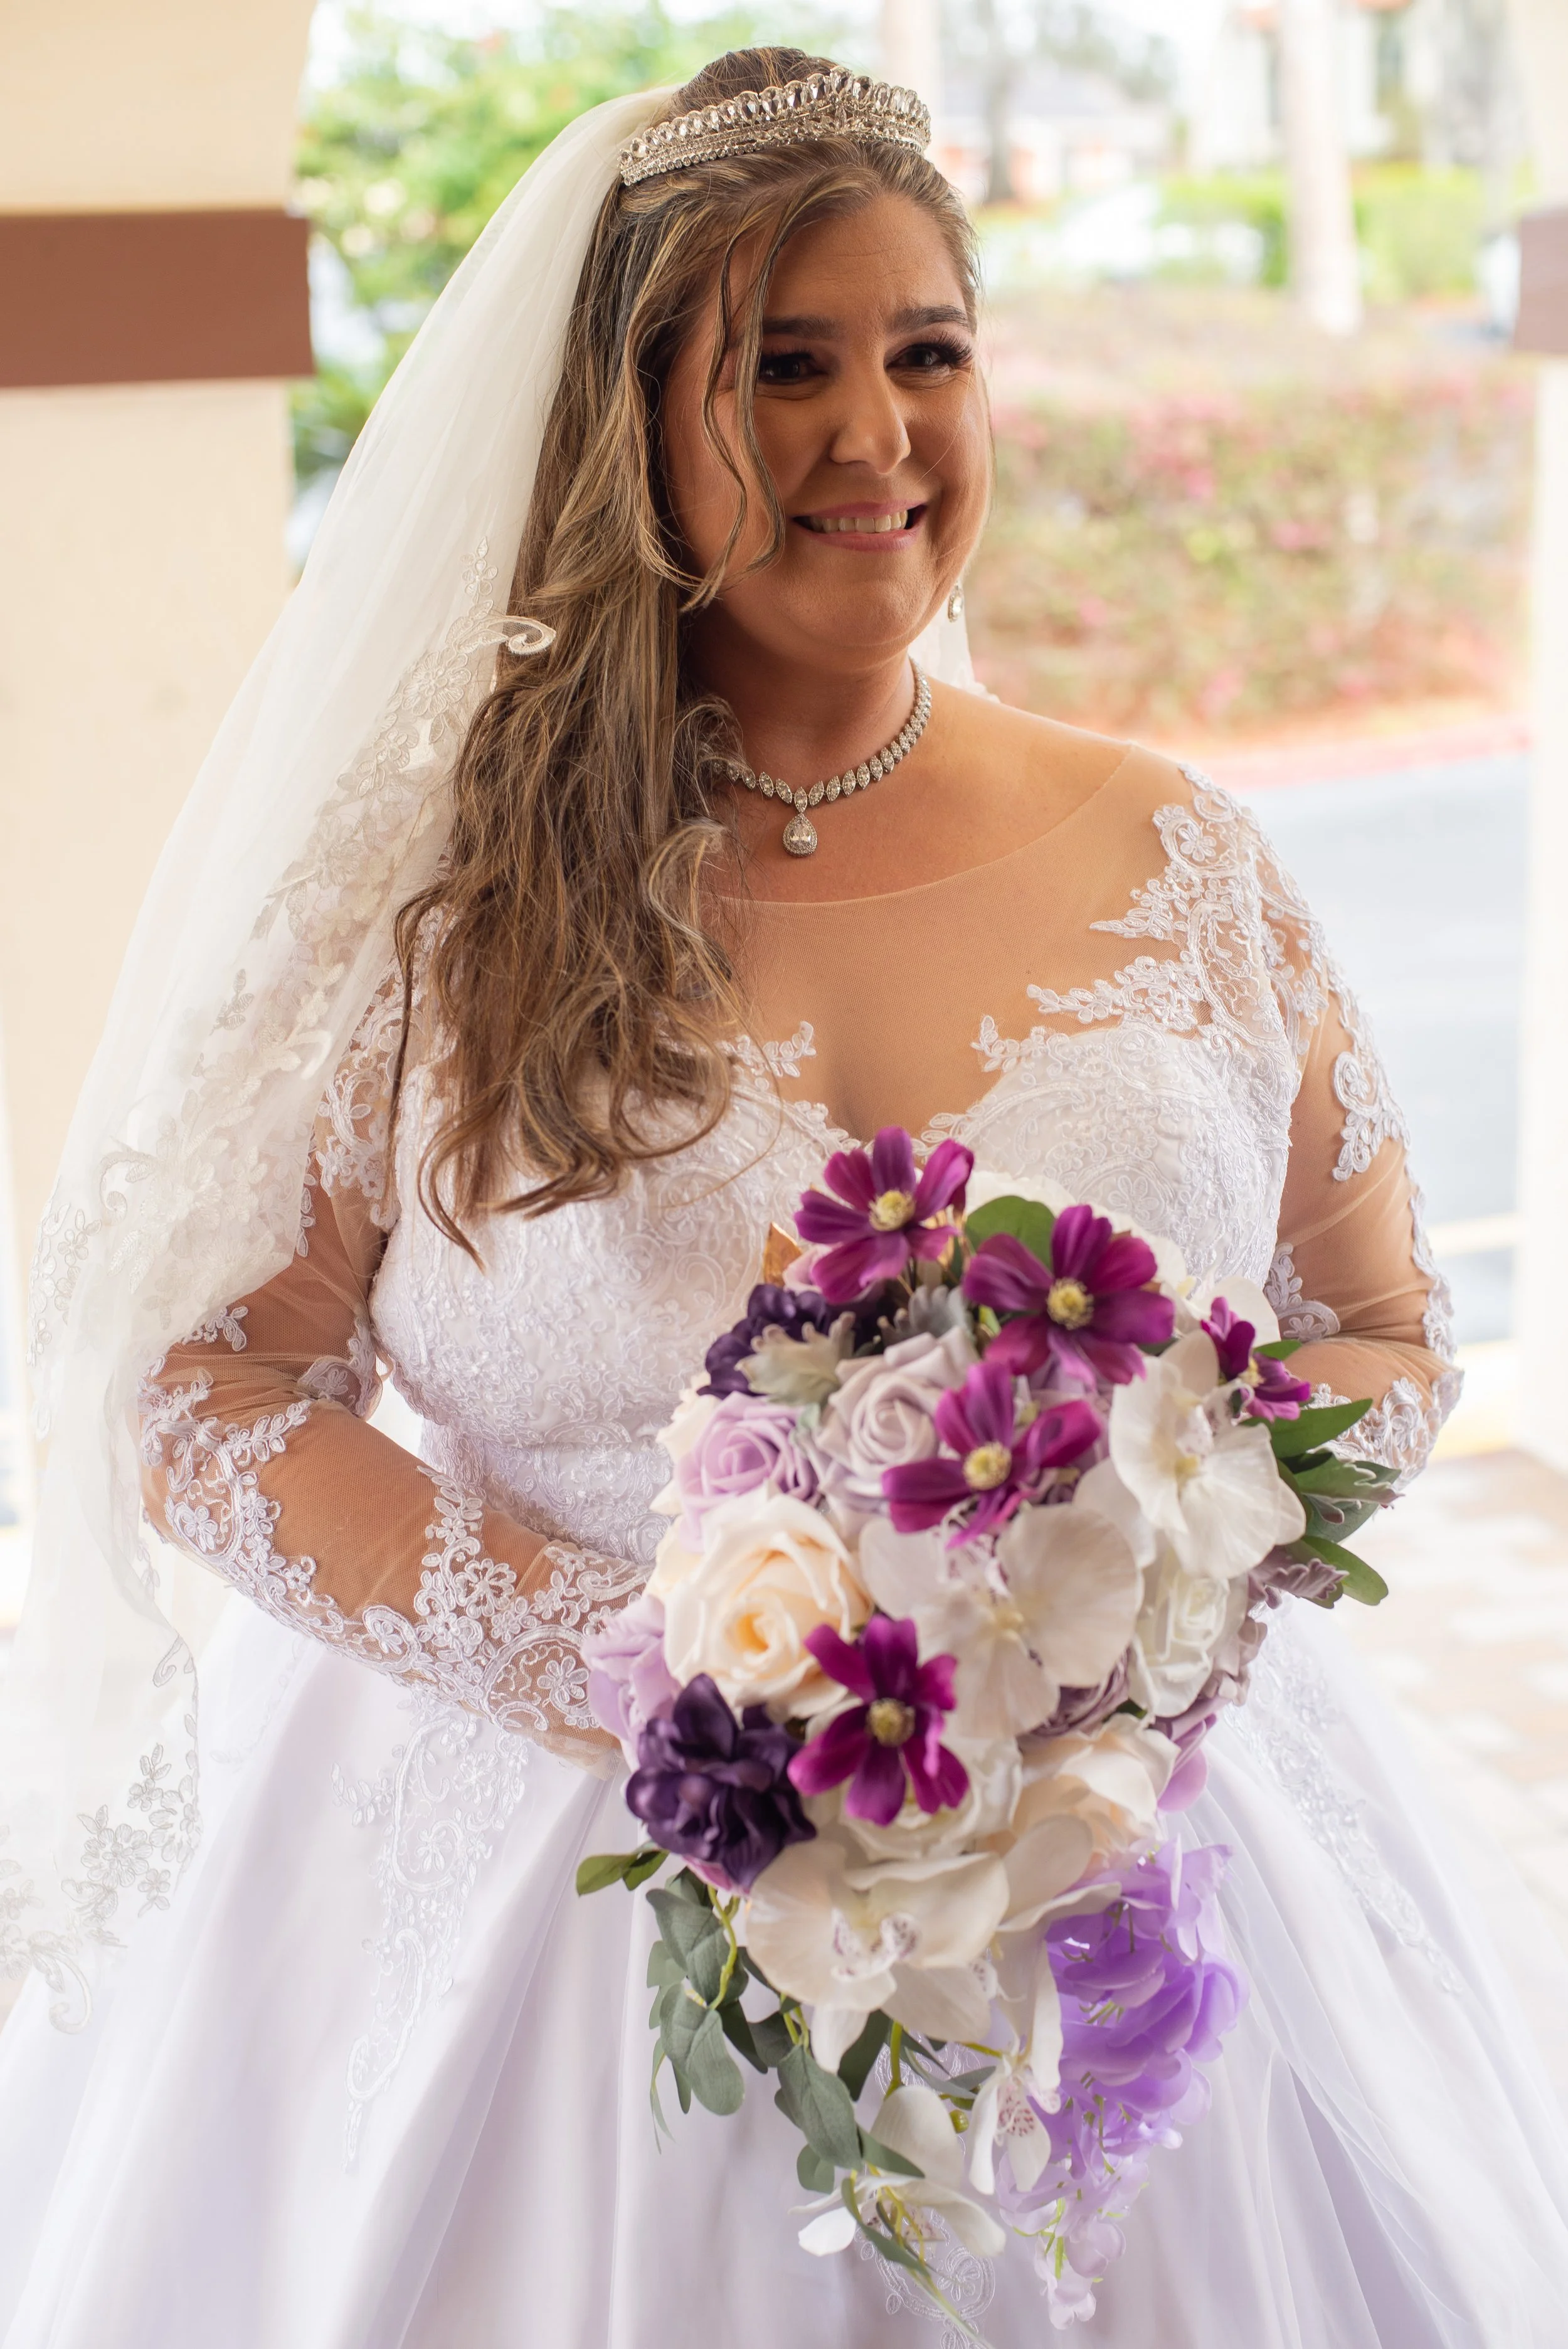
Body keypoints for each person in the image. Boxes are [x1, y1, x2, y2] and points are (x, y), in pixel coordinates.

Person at [1, 46, 1565, 2348]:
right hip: (548, 1880)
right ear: (622, 429)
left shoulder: (1178, 854)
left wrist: (1136, 1594)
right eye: (779, 371)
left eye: (926, 353)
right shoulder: (437, 915)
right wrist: (666, 1689)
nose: (875, 439)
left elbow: (1381, 1322)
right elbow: (208, 1385)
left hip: (1137, 1852)